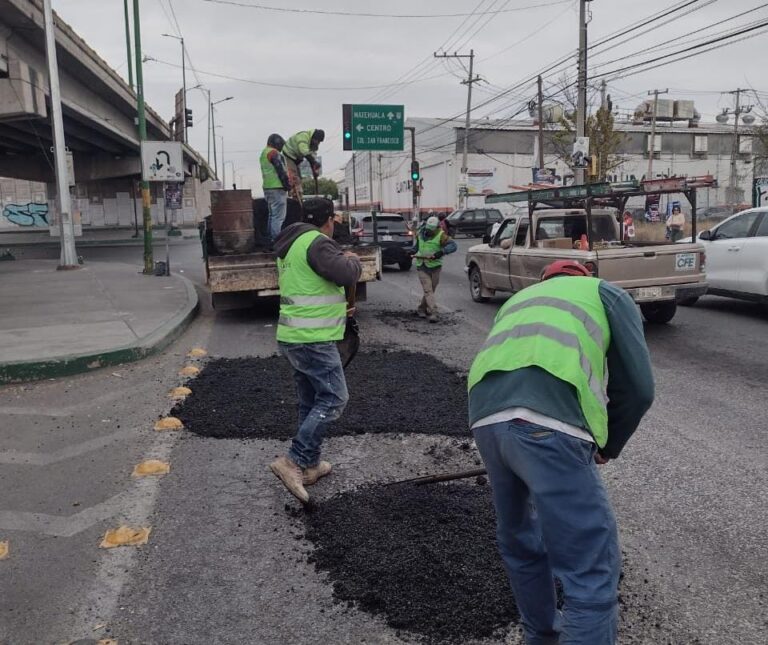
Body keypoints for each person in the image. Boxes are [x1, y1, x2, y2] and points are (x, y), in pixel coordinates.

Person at [467, 259, 654, 645]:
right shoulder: (604, 293)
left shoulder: (518, 299)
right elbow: (638, 389)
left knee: (519, 542)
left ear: (545, 280)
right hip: (549, 426)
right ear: (584, 275)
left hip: (485, 420)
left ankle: (541, 638)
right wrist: (609, 444)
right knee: (589, 571)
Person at [269, 197, 362, 504]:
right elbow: (347, 273)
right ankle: (294, 460)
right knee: (335, 397)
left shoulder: (291, 242)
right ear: (328, 220)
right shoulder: (318, 242)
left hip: (295, 334)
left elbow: (311, 286)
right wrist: (352, 258)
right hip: (312, 338)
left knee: (310, 399)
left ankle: (309, 463)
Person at [412, 215, 457, 322]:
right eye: (428, 229)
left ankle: (421, 309)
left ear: (437, 228)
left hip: (435, 267)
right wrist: (411, 251)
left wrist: (441, 252)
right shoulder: (420, 234)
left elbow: (453, 246)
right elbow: (416, 247)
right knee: (428, 290)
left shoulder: (441, 235)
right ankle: (433, 312)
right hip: (422, 266)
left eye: (432, 229)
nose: (429, 231)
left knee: (431, 290)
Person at [259, 133, 291, 245]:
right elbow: (279, 168)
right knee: (278, 216)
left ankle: (270, 239)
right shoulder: (273, 153)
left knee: (272, 215)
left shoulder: (263, 153)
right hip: (277, 188)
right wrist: (287, 184)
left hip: (267, 188)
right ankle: (277, 241)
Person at [283, 129, 325, 201]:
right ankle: (296, 199)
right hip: (288, 155)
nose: (318, 143)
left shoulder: (312, 144)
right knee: (294, 179)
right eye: (317, 141)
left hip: (296, 159)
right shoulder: (303, 137)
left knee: (299, 178)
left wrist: (314, 171)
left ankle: (298, 197)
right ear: (314, 138)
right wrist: (313, 162)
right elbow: (304, 151)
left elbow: (312, 158)